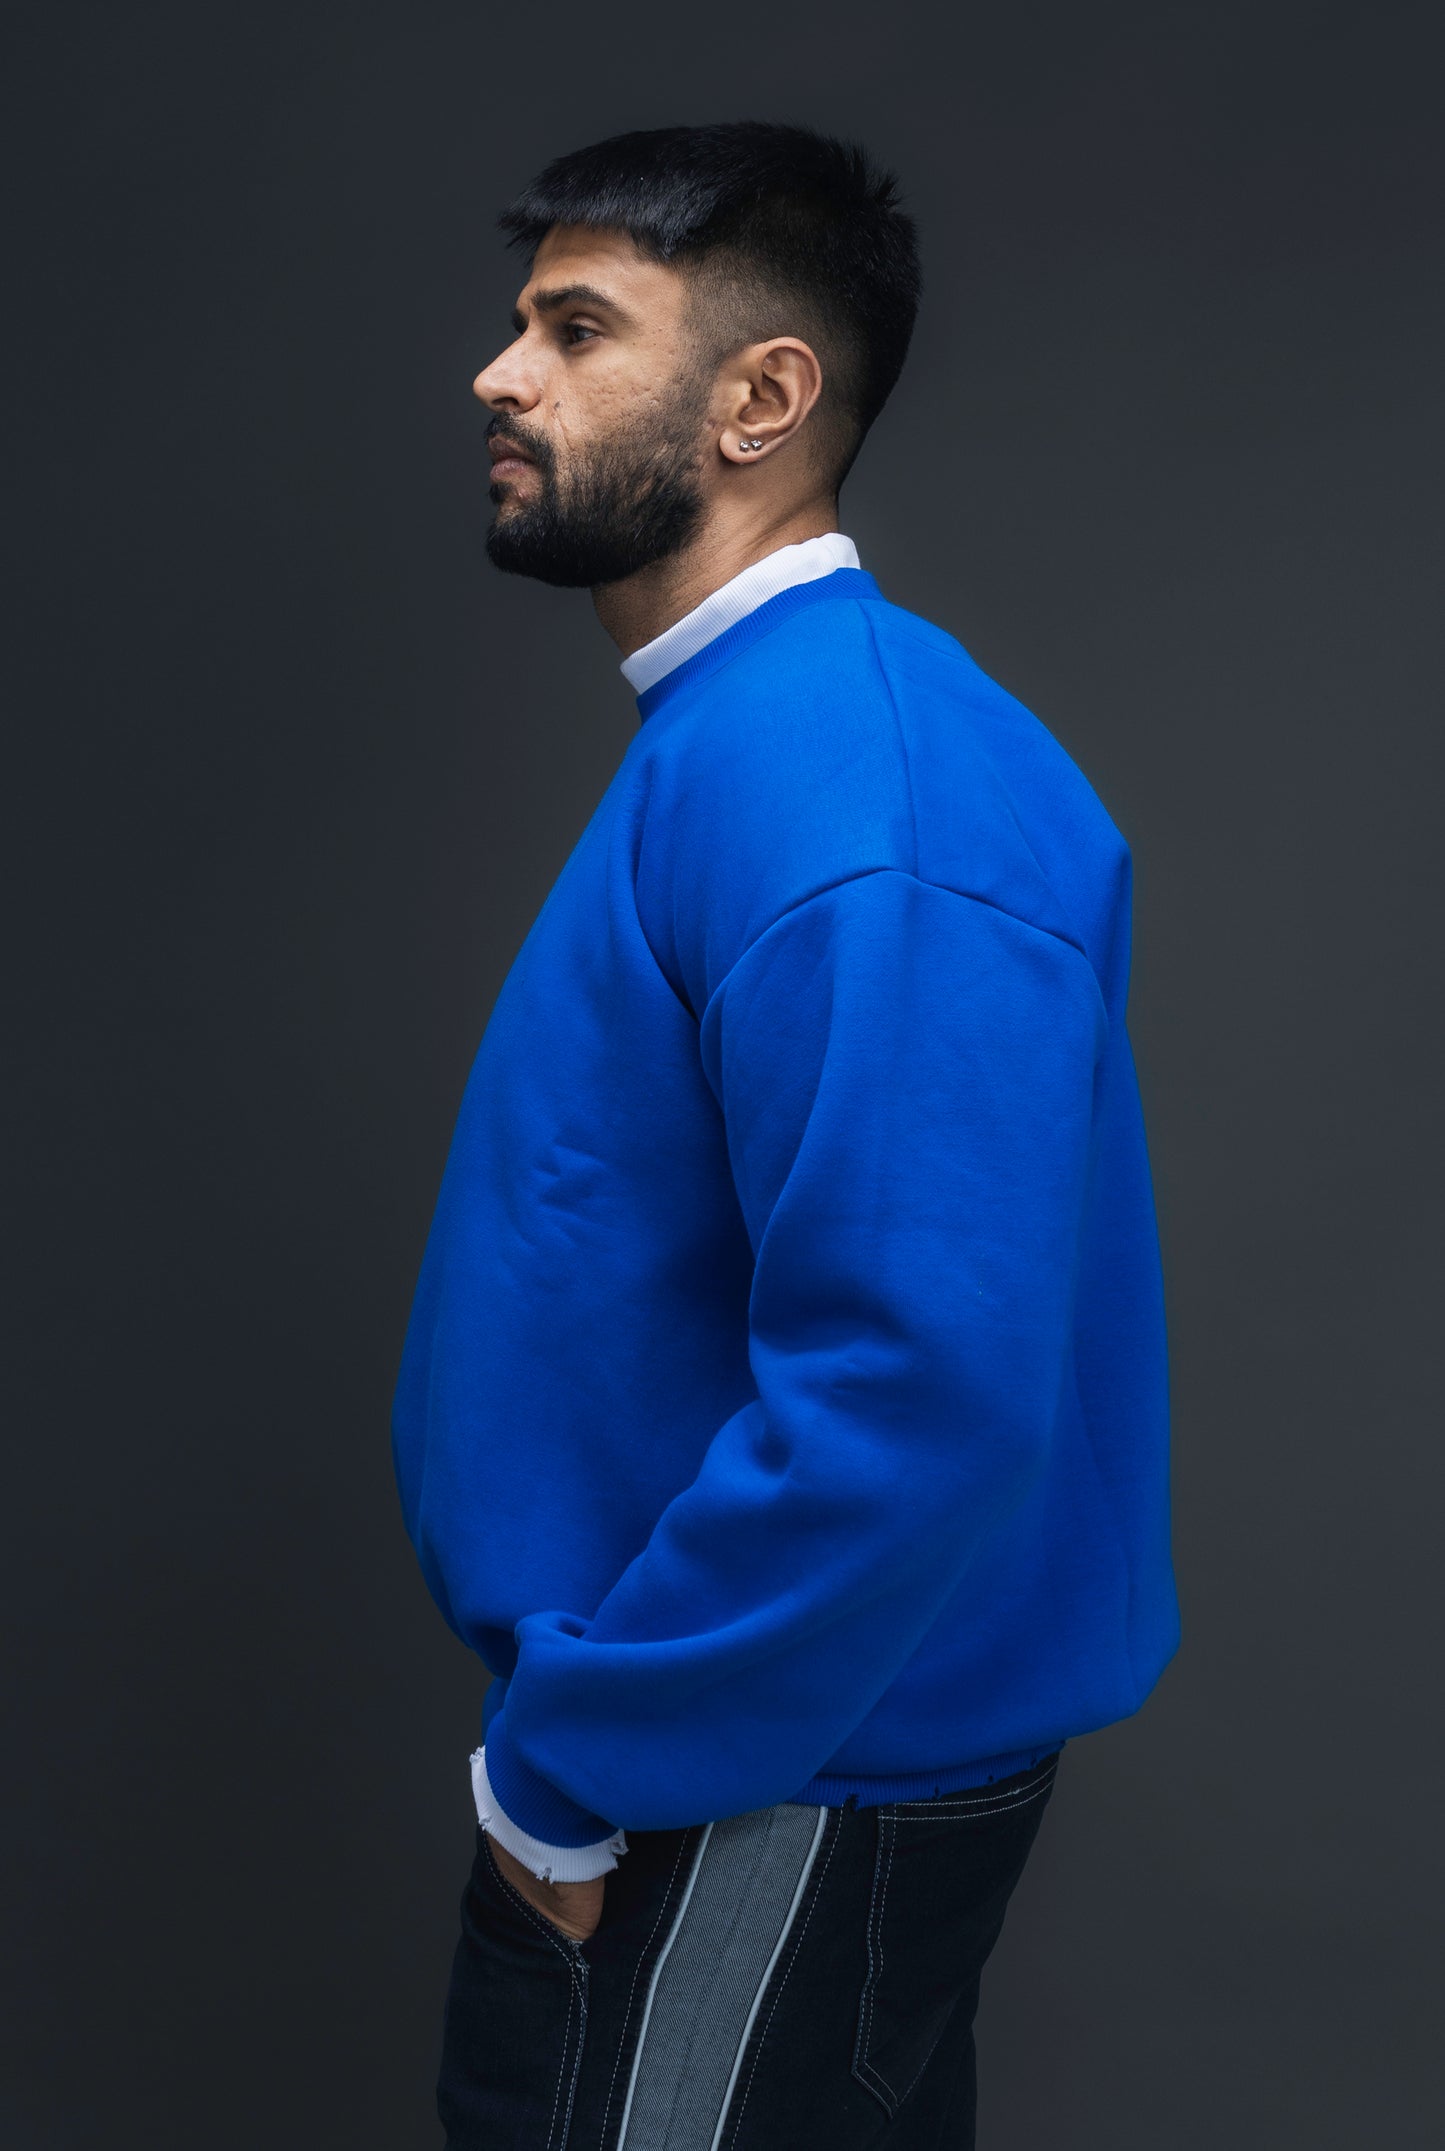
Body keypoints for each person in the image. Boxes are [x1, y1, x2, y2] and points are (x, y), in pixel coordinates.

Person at [391, 120, 1180, 2151]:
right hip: (723, 1753)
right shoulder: (749, 737)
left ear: (763, 397)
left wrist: (577, 1764)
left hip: (745, 1780)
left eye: (577, 328)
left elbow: (913, 1389)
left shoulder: (858, 785)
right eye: (517, 322)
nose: (503, 373)